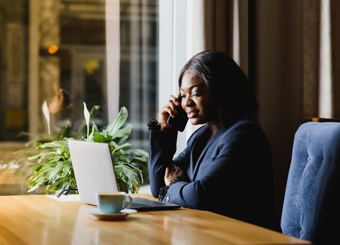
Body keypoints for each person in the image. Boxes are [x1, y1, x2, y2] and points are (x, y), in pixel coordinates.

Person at [147, 50, 281, 231]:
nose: (186, 103)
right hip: (209, 233)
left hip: (243, 238)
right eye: (183, 95)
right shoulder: (201, 137)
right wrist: (166, 131)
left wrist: (175, 185)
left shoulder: (244, 136)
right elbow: (158, 186)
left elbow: (201, 195)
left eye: (196, 93)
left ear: (221, 90)